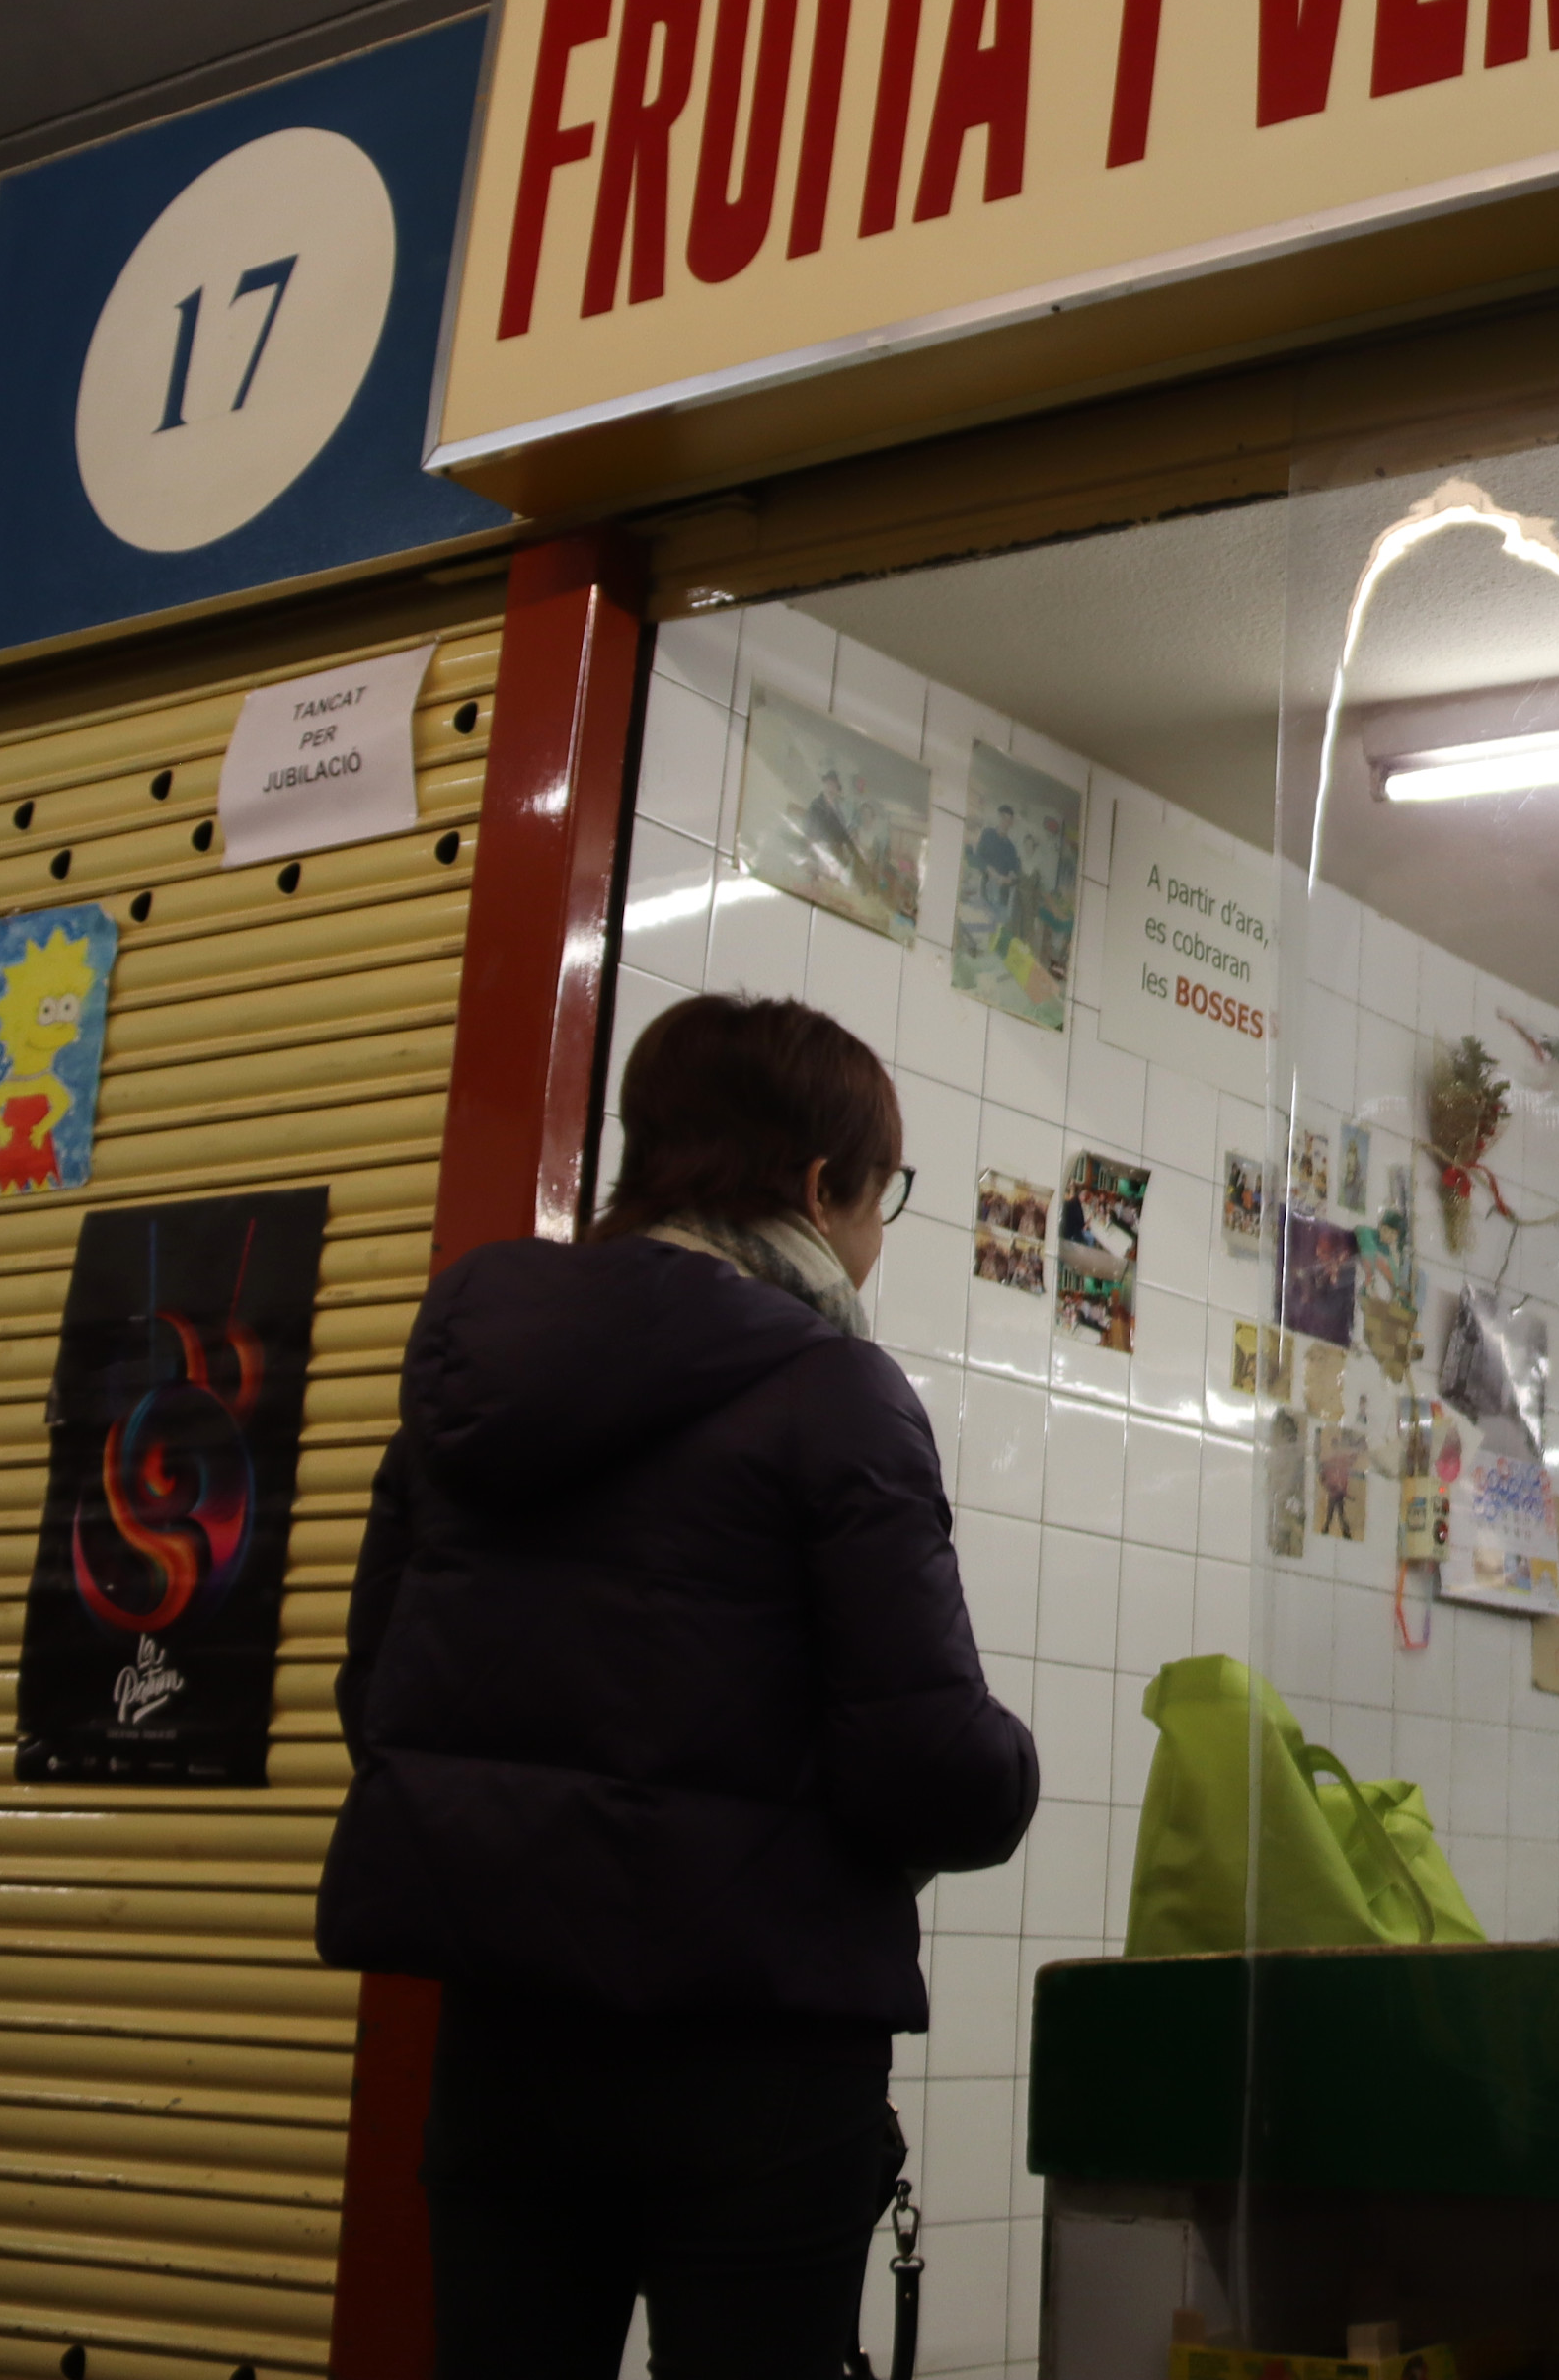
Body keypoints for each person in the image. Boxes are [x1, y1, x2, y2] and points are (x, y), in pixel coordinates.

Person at [317, 993, 1037, 2380]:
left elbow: (381, 1697)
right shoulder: (839, 1393)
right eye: (881, 1193)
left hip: (505, 2058)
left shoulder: (474, 1369)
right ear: (822, 1188)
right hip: (754, 2069)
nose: (876, 1234)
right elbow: (924, 1762)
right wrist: (1009, 1768)